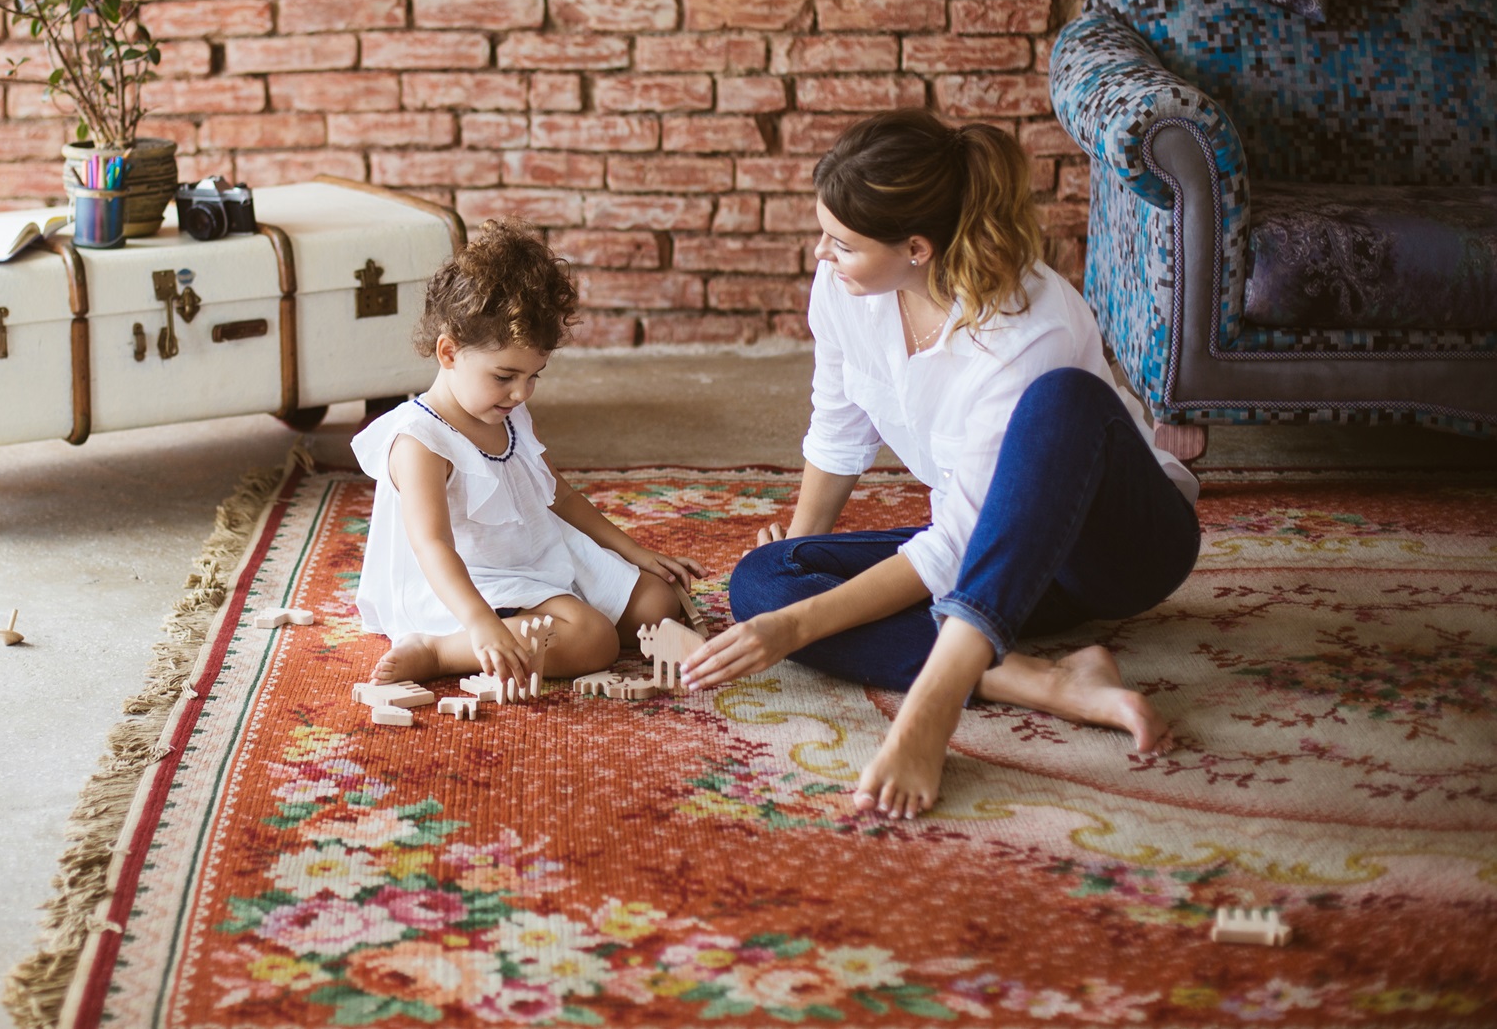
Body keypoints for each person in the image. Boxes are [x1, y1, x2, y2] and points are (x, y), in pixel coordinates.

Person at [680, 109, 1201, 822]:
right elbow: (838, 429)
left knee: (1063, 401)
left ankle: (937, 700)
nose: (820, 256)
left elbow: (955, 545)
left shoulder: (1031, 324)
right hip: (995, 554)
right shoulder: (846, 291)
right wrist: (798, 568)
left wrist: (801, 628)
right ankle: (1037, 680)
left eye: (841, 243)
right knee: (765, 583)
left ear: (917, 247)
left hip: (1116, 547)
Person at [355, 218, 703, 689]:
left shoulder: (505, 411)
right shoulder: (420, 441)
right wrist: (480, 621)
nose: (522, 393)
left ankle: (547, 616)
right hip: (467, 581)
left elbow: (557, 495)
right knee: (593, 641)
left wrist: (633, 551)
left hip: (533, 552)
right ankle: (440, 651)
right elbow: (432, 546)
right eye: (505, 376)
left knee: (656, 603)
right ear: (448, 352)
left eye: (534, 375)